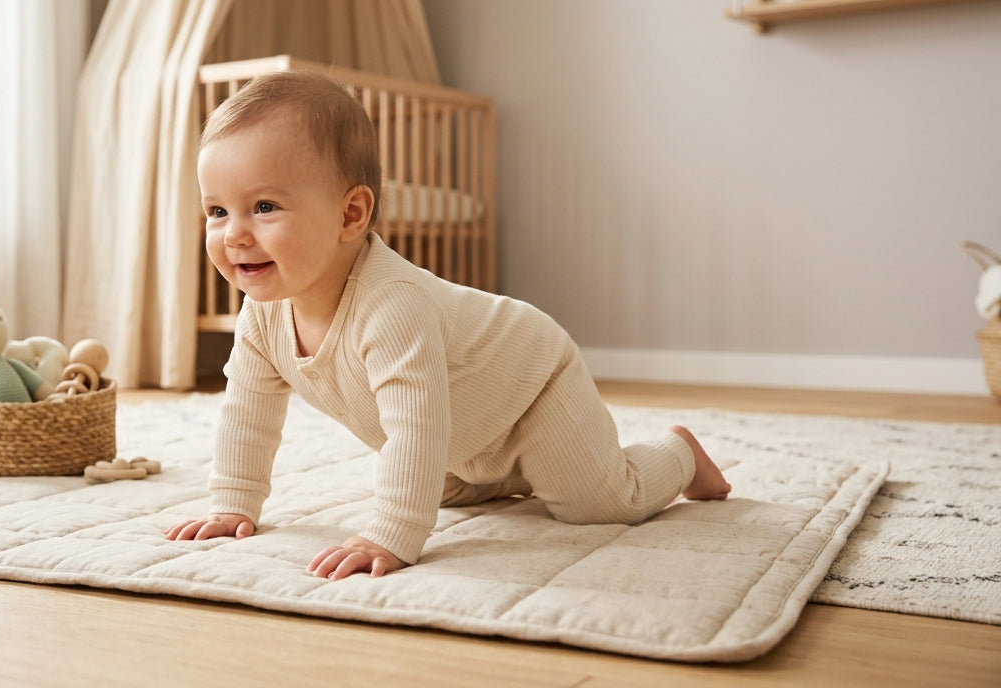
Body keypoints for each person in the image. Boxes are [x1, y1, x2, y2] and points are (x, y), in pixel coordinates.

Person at [165, 70, 730, 580]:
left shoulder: (392, 305)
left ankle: (678, 453)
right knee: (441, 489)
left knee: (599, 503)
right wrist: (232, 501)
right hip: (463, 434)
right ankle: (514, 473)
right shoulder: (263, 317)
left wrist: (392, 533)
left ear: (350, 214)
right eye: (217, 211)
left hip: (532, 386)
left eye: (264, 207)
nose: (233, 233)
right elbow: (248, 412)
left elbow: (414, 427)